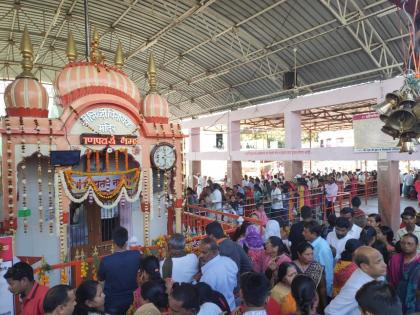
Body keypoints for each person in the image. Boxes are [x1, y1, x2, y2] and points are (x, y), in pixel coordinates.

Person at [325, 246, 387, 315]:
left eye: (382, 260)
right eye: (378, 262)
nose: (384, 265)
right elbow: (330, 312)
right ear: (364, 266)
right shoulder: (356, 289)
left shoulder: (377, 274)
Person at [98, 226, 142, 315]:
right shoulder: (136, 256)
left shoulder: (106, 261)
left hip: (112, 303)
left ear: (113, 242)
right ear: (127, 241)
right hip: (133, 300)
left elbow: (101, 282)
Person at [198, 237, 238, 310]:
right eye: (200, 252)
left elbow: (204, 300)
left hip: (219, 310)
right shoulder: (229, 262)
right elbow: (235, 285)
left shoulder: (208, 275)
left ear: (214, 252)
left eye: (204, 252)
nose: (200, 255)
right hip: (232, 305)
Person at [387, 233, 420, 314]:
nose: (405, 246)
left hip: (416, 300)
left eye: (409, 243)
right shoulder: (395, 258)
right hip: (397, 297)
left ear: (417, 245)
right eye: (403, 243)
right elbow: (390, 278)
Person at [303, 220, 334, 298]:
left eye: (306, 232)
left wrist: (326, 292)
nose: (303, 233)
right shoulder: (312, 244)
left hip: (322, 289)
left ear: (313, 234)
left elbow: (328, 271)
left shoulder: (323, 248)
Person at [293, 242, 327, 311]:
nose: (310, 257)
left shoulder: (317, 267)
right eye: (307, 254)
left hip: (314, 303)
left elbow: (322, 289)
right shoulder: (292, 267)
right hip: (295, 304)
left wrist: (325, 307)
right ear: (299, 254)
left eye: (312, 254)